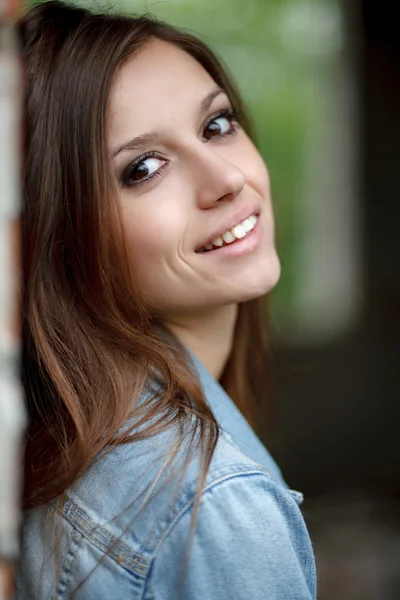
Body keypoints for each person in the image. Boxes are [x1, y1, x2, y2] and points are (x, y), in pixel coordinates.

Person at [15, 1, 316, 598]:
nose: (226, 179)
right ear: (61, 233)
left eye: (216, 125)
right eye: (145, 168)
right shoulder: (210, 505)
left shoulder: (54, 431)